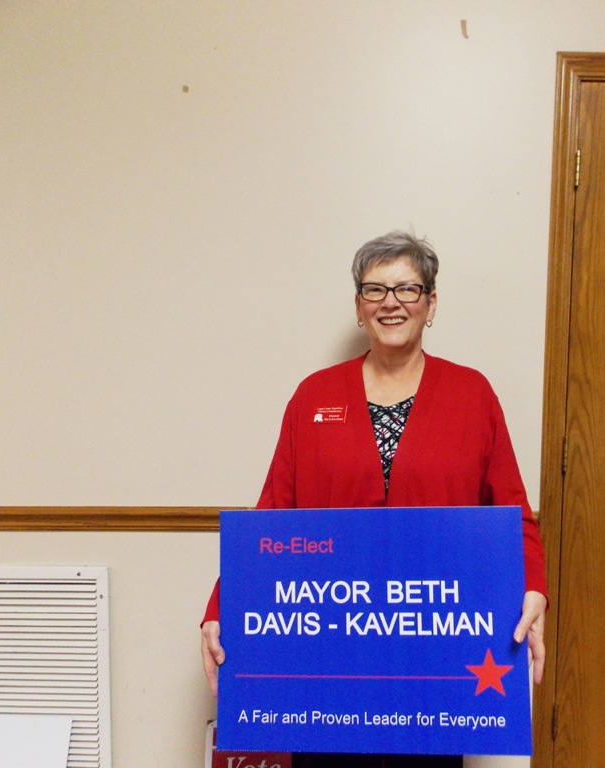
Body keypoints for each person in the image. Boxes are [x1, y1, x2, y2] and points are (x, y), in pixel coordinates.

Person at [201, 231, 548, 768]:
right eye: (375, 289)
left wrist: (534, 589)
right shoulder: (314, 396)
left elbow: (514, 514)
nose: (391, 302)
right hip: (328, 648)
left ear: (431, 303)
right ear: (359, 305)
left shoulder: (472, 395)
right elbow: (272, 517)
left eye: (408, 288)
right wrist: (221, 608)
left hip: (433, 650)